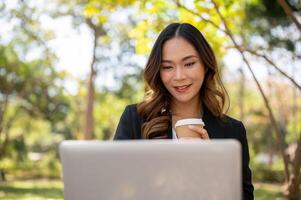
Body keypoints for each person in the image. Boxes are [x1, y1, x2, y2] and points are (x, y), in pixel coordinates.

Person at [114, 22, 254, 199]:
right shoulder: (134, 118)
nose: (179, 76)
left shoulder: (232, 130)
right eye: (167, 67)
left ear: (205, 64)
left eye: (189, 64)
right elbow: (116, 188)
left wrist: (211, 166)